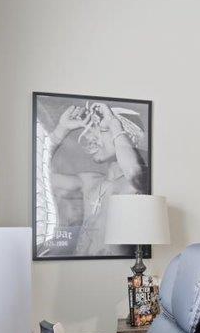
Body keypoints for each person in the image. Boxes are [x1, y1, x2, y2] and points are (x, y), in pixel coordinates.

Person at [47, 100, 149, 255]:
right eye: (92, 130)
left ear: (128, 137)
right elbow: (41, 176)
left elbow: (133, 172)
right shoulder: (89, 182)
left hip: (116, 269)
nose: (91, 137)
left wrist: (113, 123)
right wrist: (61, 129)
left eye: (102, 130)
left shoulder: (136, 185)